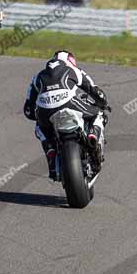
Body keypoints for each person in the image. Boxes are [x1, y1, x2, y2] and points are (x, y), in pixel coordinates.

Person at [23, 50, 109, 180]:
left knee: (39, 127)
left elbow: (28, 110)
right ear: (71, 61)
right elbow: (95, 90)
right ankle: (92, 137)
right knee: (99, 114)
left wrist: (40, 117)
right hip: (69, 103)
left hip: (44, 110)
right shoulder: (74, 70)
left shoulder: (38, 76)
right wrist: (103, 103)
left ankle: (51, 153)